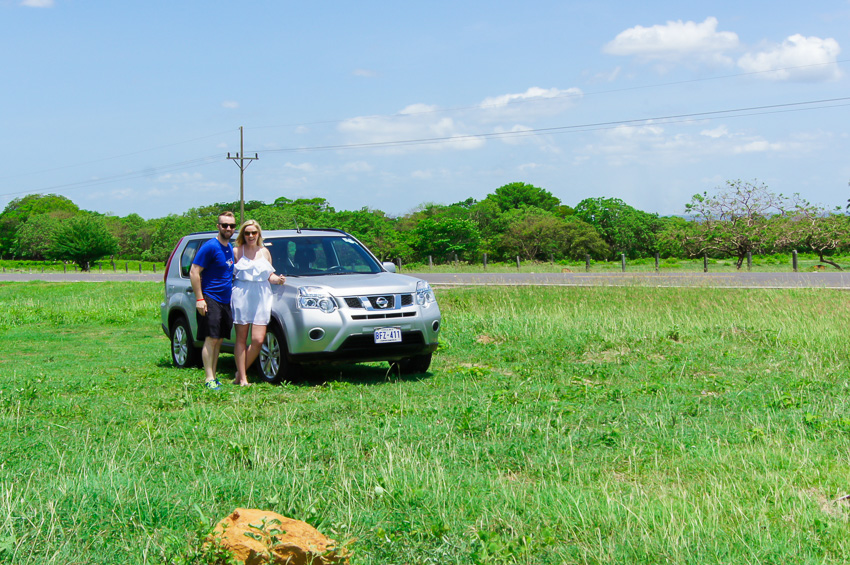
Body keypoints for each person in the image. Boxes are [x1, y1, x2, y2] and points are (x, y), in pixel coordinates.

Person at [231, 220, 285, 386]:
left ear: (258, 234)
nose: (250, 236)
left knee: (258, 340)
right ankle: (243, 379)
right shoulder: (236, 251)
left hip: (261, 295)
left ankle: (239, 373)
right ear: (243, 235)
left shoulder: (265, 252)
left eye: (254, 233)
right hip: (242, 294)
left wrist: (279, 280)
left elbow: (270, 275)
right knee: (241, 339)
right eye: (247, 233)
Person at [189, 211, 236, 390]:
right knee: (211, 338)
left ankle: (214, 376)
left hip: (225, 300)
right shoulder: (210, 247)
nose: (228, 229)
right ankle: (208, 377)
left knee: (219, 339)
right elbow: (194, 271)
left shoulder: (229, 247)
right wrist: (200, 298)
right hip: (210, 298)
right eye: (224, 225)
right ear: (218, 226)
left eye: (231, 226)